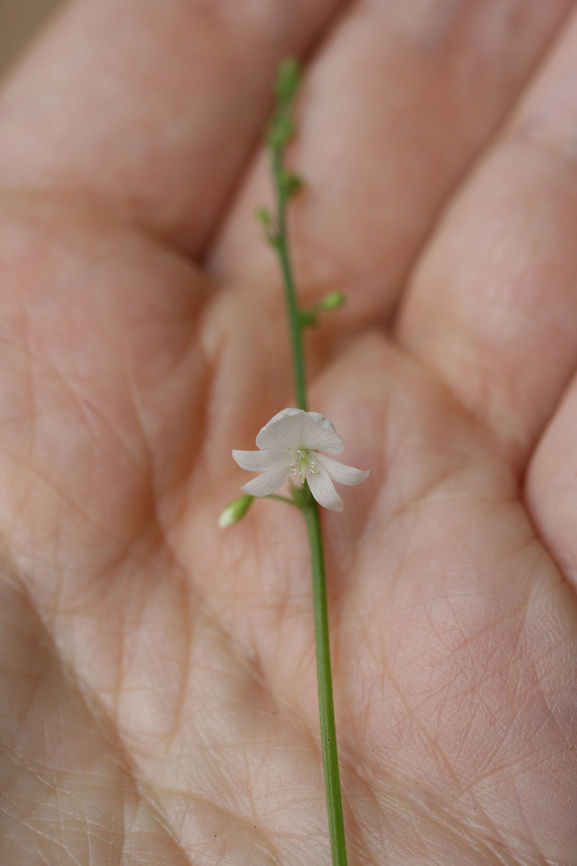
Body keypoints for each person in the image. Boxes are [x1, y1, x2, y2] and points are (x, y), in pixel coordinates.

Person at [0, 1, 576, 862]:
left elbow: (300, 462)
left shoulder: (304, 463)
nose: (302, 468)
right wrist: (276, 480)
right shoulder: (286, 466)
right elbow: (284, 463)